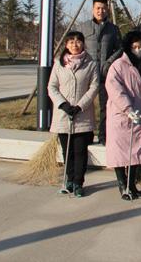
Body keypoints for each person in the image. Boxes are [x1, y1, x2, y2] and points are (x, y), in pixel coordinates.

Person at [47, 31, 99, 197]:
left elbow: (94, 87)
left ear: (83, 43)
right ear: (66, 45)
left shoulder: (91, 64)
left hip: (82, 115)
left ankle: (78, 183)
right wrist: (63, 104)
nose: (75, 45)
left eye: (78, 41)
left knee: (80, 151)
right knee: (67, 151)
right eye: (71, 42)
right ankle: (69, 180)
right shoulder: (59, 63)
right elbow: (52, 87)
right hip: (63, 115)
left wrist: (80, 106)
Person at [105, 31, 141, 200]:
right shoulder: (118, 65)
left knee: (135, 151)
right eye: (134, 47)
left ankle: (131, 184)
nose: (138, 50)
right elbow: (115, 89)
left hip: (140, 113)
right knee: (120, 152)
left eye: (140, 46)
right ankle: (122, 185)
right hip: (122, 114)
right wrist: (128, 108)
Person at [75, 0, 121, 145]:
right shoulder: (83, 27)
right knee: (84, 105)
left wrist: (109, 62)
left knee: (105, 106)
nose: (100, 11)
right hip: (86, 73)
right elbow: (76, 47)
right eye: (98, 8)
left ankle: (104, 135)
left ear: (107, 9)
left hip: (104, 74)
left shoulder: (113, 29)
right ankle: (85, 134)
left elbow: (119, 49)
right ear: (93, 9)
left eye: (103, 8)